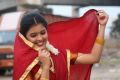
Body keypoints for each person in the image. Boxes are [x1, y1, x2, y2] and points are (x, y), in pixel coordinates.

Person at [13, 9, 108, 80]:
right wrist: (46, 67)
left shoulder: (58, 55)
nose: (40, 38)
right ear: (25, 38)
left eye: (43, 33)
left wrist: (102, 27)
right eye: (33, 35)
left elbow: (94, 58)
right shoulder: (25, 65)